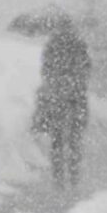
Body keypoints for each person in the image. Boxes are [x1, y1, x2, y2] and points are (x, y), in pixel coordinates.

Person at [31, 13, 92, 187]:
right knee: (74, 138)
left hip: (57, 97)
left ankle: (59, 176)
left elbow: (46, 70)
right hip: (74, 95)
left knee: (57, 139)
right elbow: (86, 68)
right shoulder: (78, 44)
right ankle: (73, 174)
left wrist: (55, 84)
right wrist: (75, 82)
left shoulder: (53, 45)